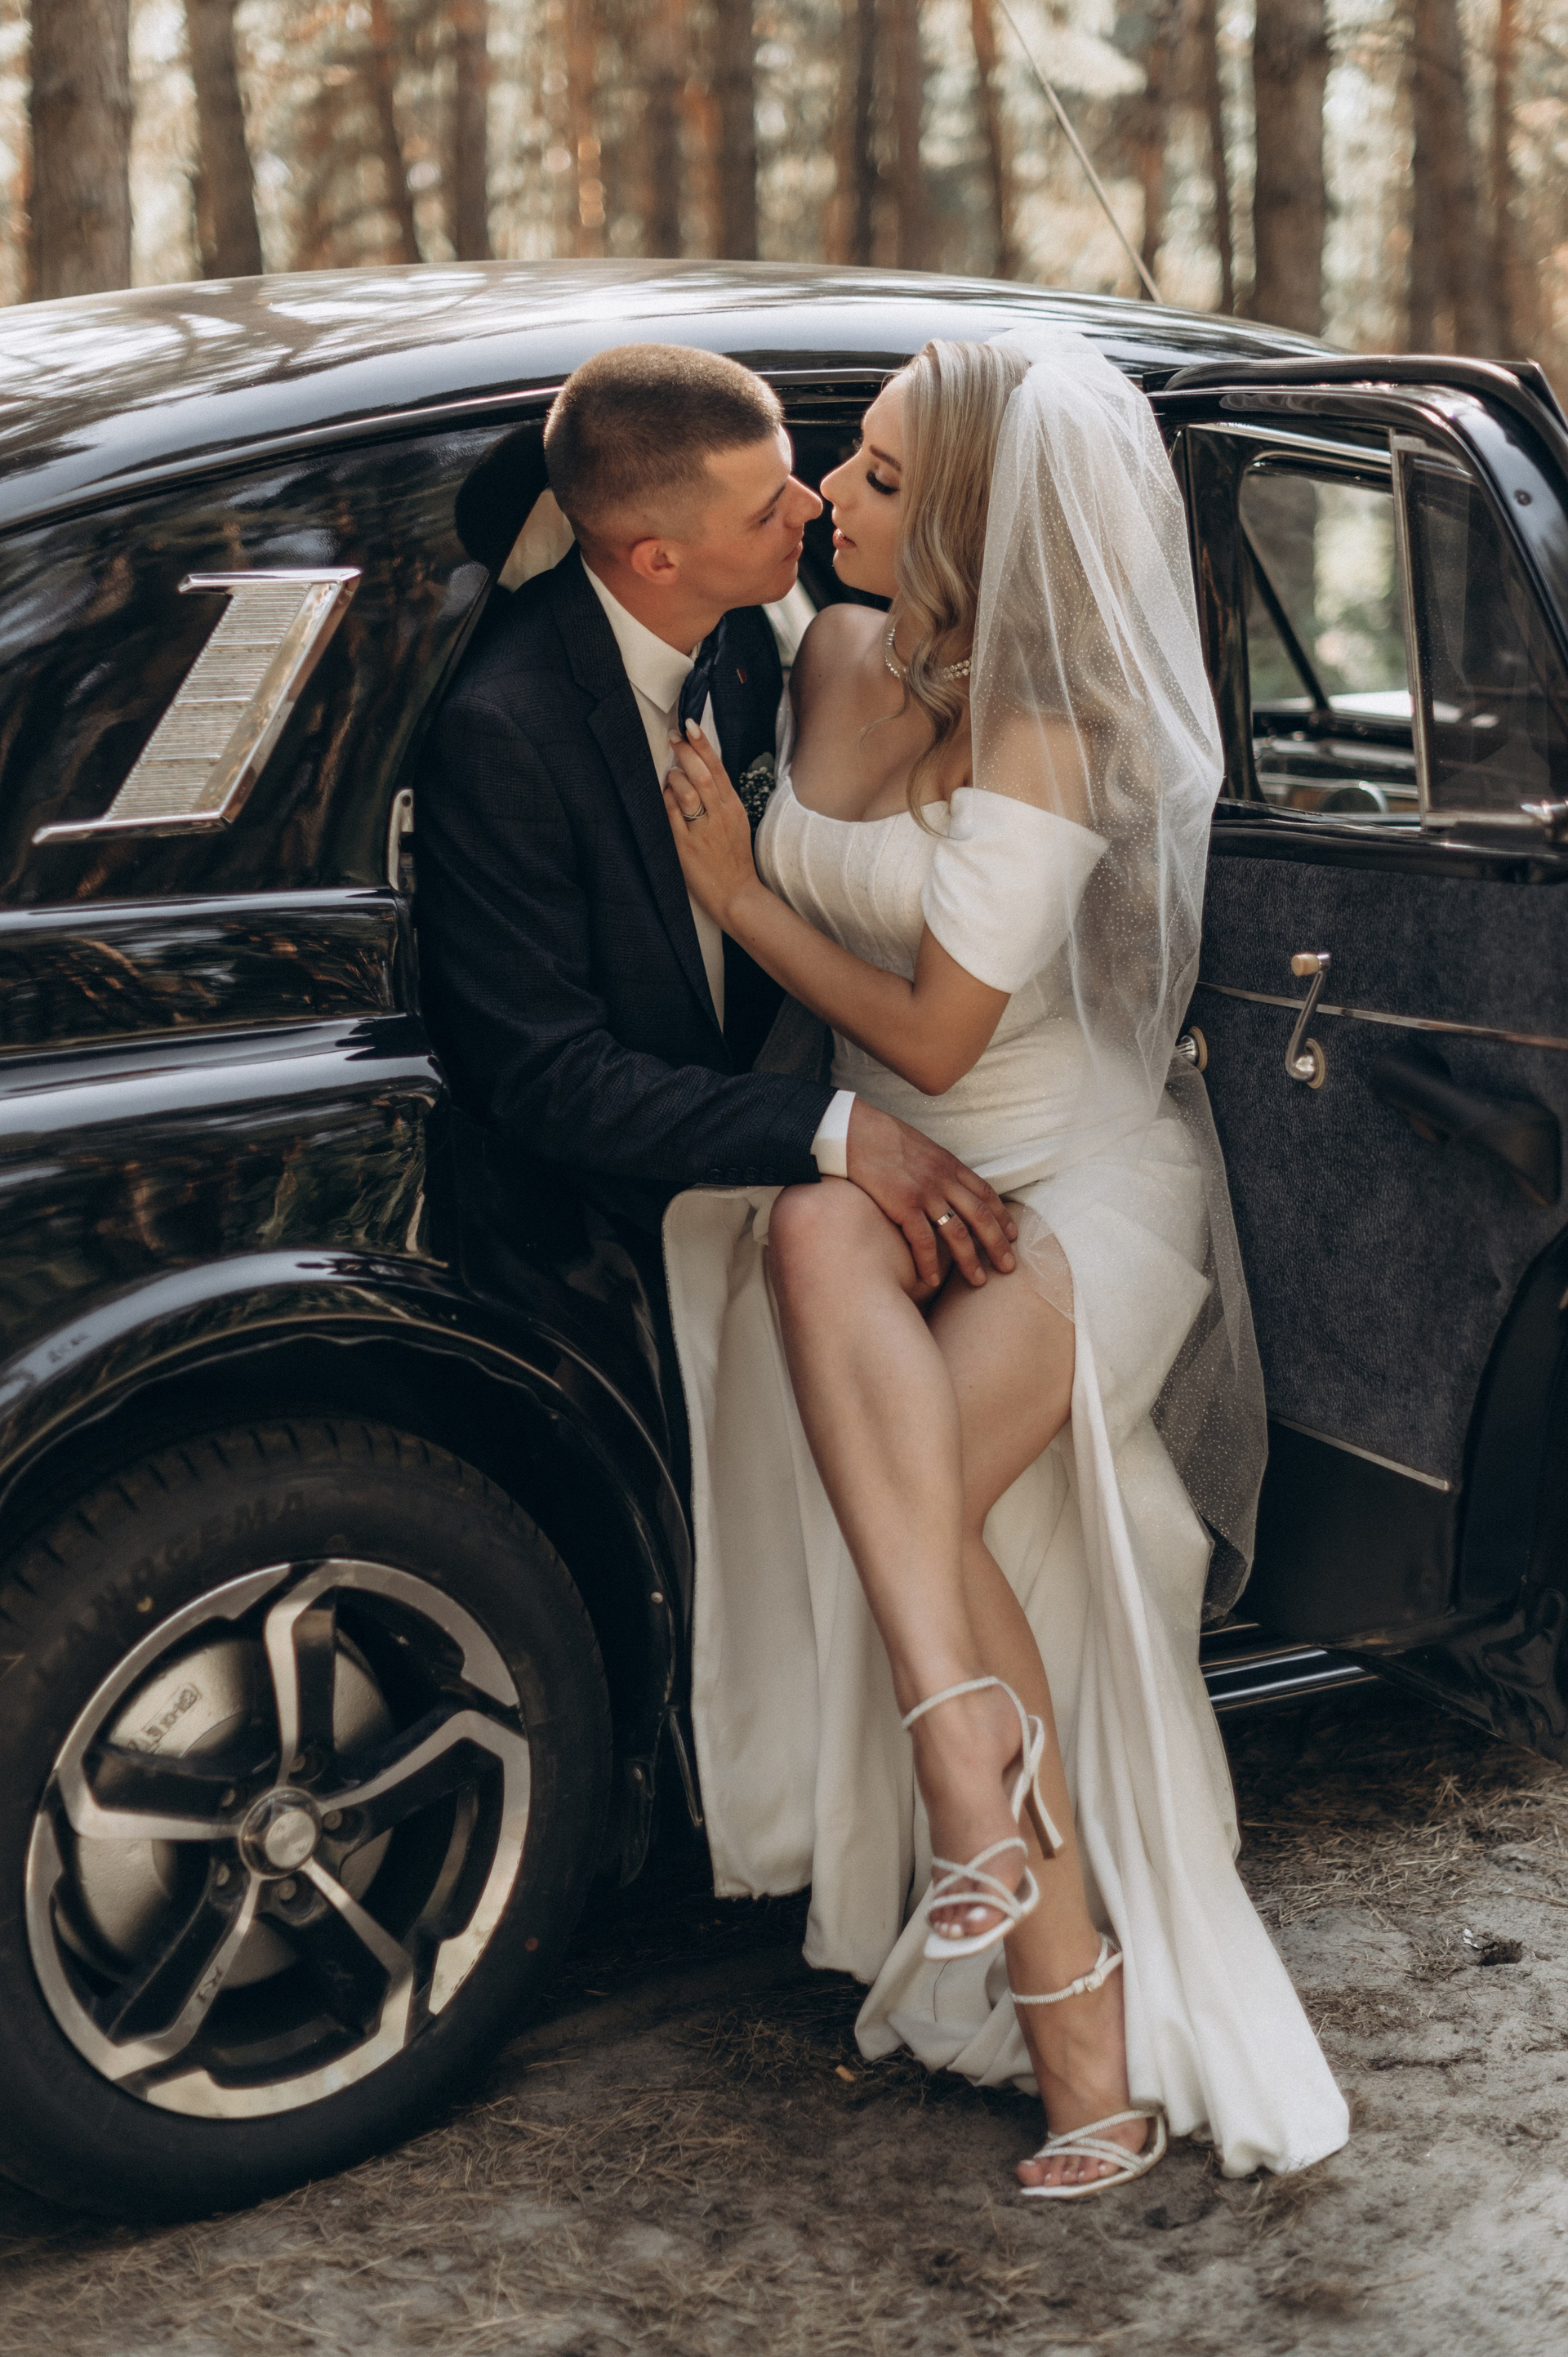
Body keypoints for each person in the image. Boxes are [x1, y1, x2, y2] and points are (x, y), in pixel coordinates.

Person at [657, 328, 1350, 2194]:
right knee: (812, 1230)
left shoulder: (1047, 731)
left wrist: (740, 895)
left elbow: (939, 1036)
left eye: (880, 478)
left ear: (971, 524)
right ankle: (997, 1842)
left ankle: (1074, 2028)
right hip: (890, 1184)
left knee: (926, 1510)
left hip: (1071, 1189)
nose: (832, 492)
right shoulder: (824, 650)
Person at [416, 343, 1018, 1323]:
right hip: (619, 1245)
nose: (810, 506)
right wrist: (830, 1130)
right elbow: (549, 1077)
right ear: (659, 559)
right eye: (767, 506)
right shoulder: (505, 733)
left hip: (831, 1192)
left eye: (791, 475)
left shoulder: (741, 639)